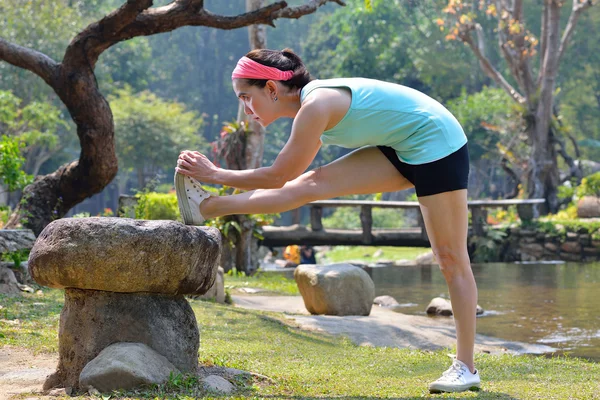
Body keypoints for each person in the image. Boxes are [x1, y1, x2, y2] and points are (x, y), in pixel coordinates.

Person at [174, 48, 479, 393]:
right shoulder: (311, 107)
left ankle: (466, 367)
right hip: (401, 146)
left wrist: (214, 172)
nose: (246, 109)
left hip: (437, 142)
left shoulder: (315, 106)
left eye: (247, 97)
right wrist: (214, 182)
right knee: (309, 185)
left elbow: (277, 175)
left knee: (451, 257)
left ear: (272, 89)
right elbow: (289, 181)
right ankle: (209, 208)